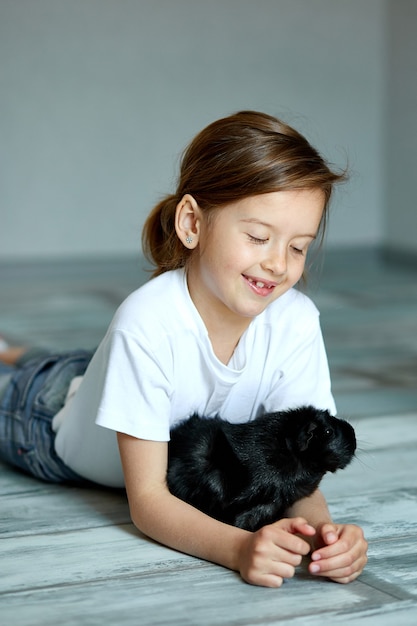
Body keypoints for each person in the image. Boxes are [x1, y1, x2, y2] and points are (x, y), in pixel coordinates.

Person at [0, 110, 367, 588]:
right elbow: (148, 501)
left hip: (96, 378)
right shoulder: (146, 321)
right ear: (192, 223)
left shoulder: (296, 322)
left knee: (82, 364)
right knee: (48, 377)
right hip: (44, 420)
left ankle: (14, 349)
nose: (278, 264)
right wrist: (239, 548)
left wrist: (324, 536)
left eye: (298, 247)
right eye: (258, 237)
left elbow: (300, 464)